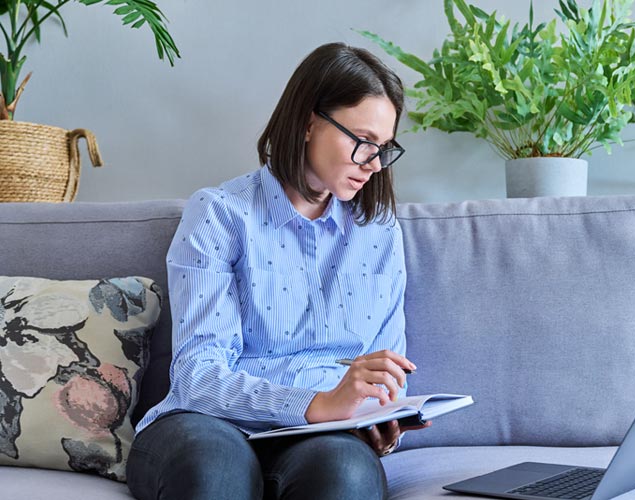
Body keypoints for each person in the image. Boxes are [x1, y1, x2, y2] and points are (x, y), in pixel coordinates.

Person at [126, 42, 429, 500]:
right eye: (363, 142)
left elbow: (381, 368)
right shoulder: (221, 215)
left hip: (320, 438)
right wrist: (315, 404)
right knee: (214, 471)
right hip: (208, 425)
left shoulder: (378, 231)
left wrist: (381, 418)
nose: (372, 164)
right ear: (309, 123)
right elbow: (197, 378)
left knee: (346, 474)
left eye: (384, 149)